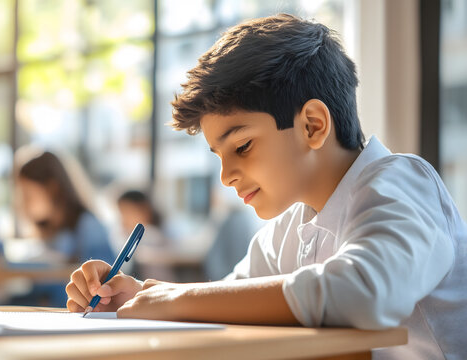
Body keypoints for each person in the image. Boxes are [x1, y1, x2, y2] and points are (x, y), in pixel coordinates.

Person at [65, 14, 467, 360]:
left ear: (313, 125)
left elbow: (362, 293)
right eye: (218, 155)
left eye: (242, 146)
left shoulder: (402, 183)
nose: (226, 176)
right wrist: (136, 298)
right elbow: (231, 301)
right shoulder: (287, 230)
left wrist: (172, 299)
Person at [13, 149, 115, 306]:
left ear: (52, 188)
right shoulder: (52, 230)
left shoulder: (89, 227)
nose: (23, 204)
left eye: (28, 194)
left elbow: (103, 285)